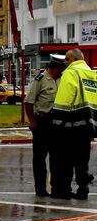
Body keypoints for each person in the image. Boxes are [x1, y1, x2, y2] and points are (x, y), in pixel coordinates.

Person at [50, 49, 97, 200]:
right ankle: (83, 190)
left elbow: (64, 101)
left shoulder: (70, 74)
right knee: (83, 160)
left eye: (66, 59)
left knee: (66, 159)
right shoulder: (92, 75)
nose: (65, 62)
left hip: (71, 125)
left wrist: (56, 124)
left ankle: (64, 191)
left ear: (72, 59)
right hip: (89, 126)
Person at [24, 55, 65, 197]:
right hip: (42, 122)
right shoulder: (40, 80)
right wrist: (33, 122)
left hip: (57, 123)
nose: (62, 71)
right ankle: (40, 188)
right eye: (61, 68)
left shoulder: (61, 79)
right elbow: (28, 102)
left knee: (56, 158)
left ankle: (56, 188)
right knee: (40, 158)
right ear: (54, 68)